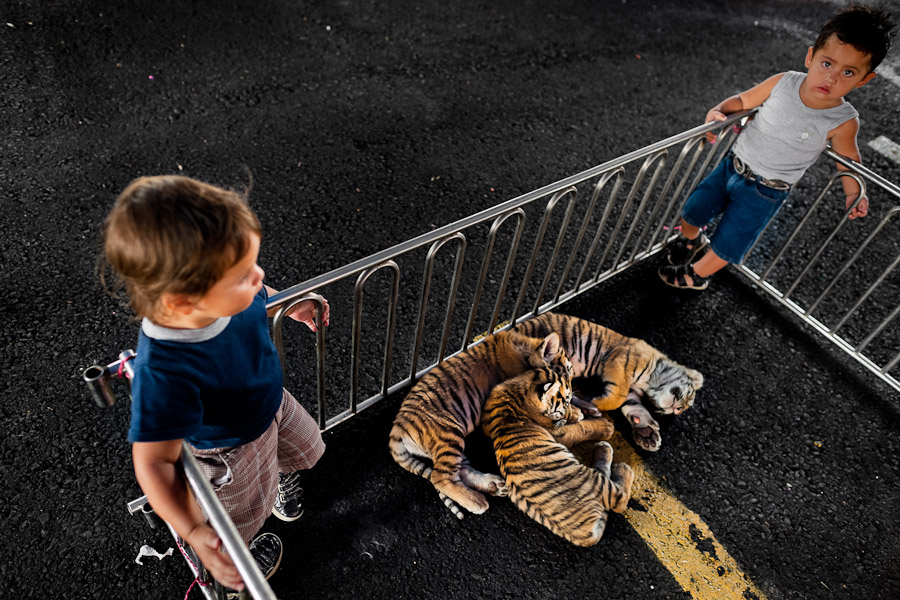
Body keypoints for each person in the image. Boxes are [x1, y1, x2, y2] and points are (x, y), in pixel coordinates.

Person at [103, 175, 329, 594]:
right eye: (243, 274)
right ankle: (232, 568)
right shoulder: (167, 369)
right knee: (233, 522)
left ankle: (278, 480)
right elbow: (153, 463)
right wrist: (193, 530)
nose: (259, 276)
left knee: (300, 445)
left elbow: (257, 298)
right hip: (229, 451)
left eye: (252, 264)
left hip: (270, 403)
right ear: (183, 302)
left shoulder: (226, 294)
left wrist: (289, 304)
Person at [659, 4, 895, 290]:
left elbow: (847, 159)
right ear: (810, 56)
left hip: (766, 191)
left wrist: (855, 192)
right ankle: (691, 239)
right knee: (693, 209)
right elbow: (744, 101)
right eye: (826, 63)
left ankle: (696, 274)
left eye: (848, 72)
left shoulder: (843, 121)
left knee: (732, 239)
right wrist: (719, 111)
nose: (831, 77)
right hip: (732, 166)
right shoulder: (783, 82)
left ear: (864, 80)